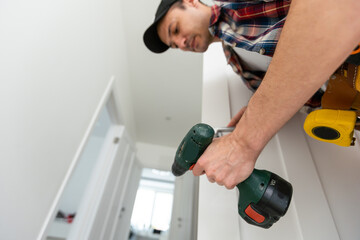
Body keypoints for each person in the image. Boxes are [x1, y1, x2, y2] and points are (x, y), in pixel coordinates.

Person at [143, 0, 360, 189]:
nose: (181, 43)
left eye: (175, 29)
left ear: (190, 1)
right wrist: (257, 111)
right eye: (174, 45)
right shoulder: (236, 63)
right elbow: (304, 96)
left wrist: (244, 139)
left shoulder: (237, 3)